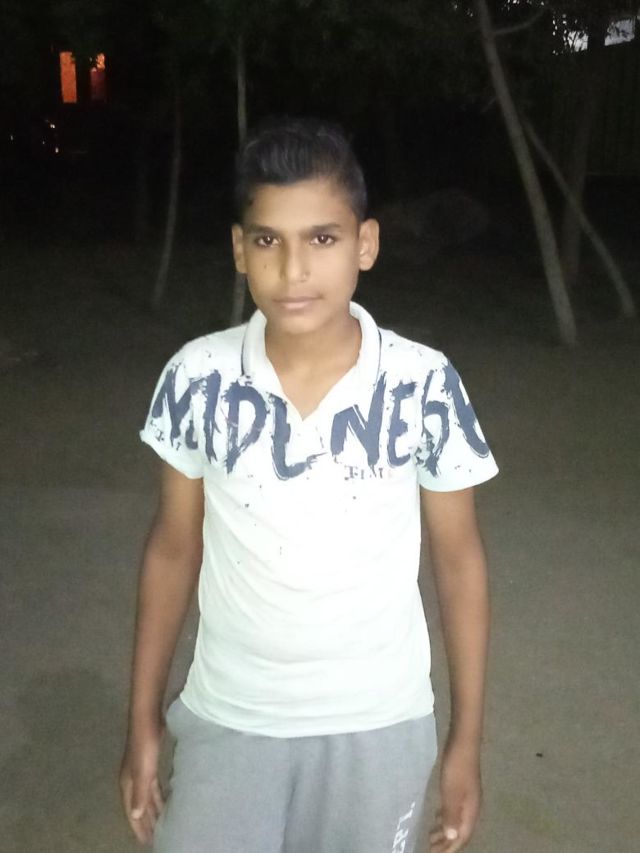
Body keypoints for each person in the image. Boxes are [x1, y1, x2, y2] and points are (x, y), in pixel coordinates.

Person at [119, 117, 498, 853]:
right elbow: (172, 549)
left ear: (366, 244)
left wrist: (466, 742)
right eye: (268, 240)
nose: (293, 269)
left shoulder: (422, 384)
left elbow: (459, 562)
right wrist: (141, 720)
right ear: (240, 250)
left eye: (322, 238)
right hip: (231, 712)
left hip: (379, 722)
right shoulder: (198, 377)